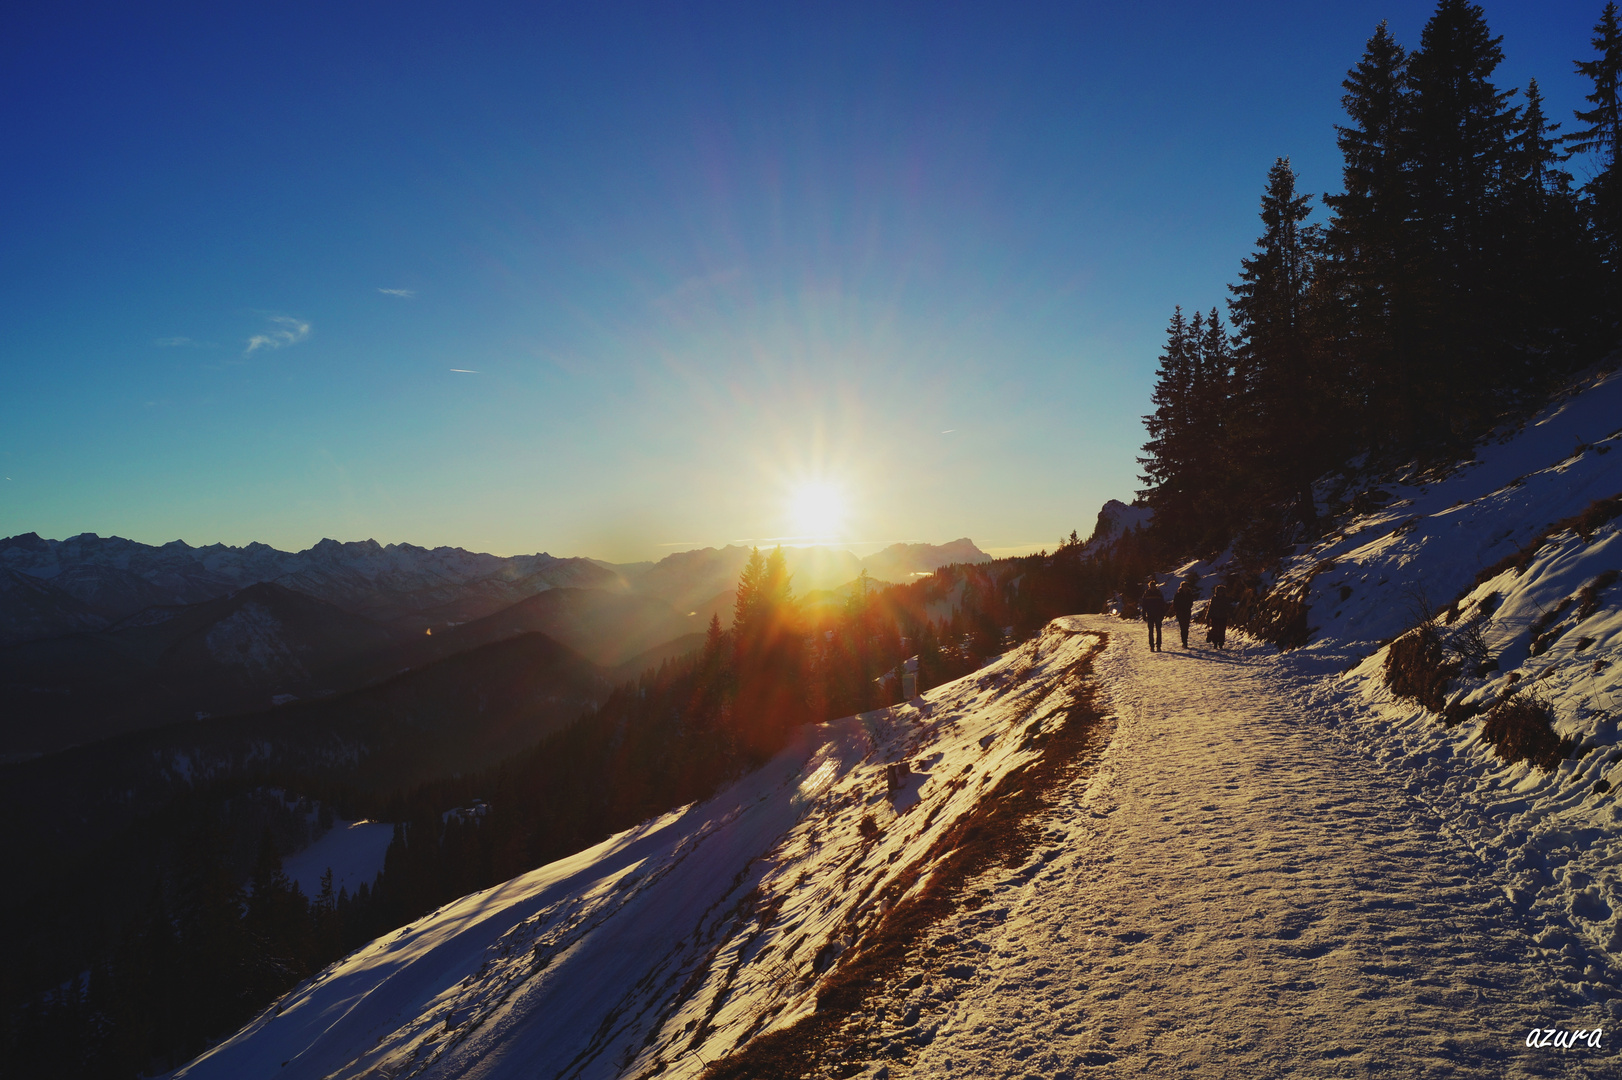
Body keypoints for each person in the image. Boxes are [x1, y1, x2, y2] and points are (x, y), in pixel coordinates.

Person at [1139, 579, 1168, 652]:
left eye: (1153, 586)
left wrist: (1162, 614)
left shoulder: (1158, 593)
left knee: (1158, 630)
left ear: (1155, 586)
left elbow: (1162, 604)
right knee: (1150, 631)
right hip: (1150, 615)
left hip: (1158, 614)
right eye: (1151, 586)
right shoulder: (1146, 594)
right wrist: (1144, 615)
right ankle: (1151, 646)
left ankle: (1158, 646)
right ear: (1149, 586)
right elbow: (1144, 605)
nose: (1152, 587)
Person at [1173, 574, 1199, 648]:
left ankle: (1185, 641)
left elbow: (1191, 603)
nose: (1185, 588)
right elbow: (1175, 604)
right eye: (1184, 587)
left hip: (1187, 612)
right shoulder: (1178, 595)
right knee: (1182, 628)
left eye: (1186, 587)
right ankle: (1184, 641)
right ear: (1181, 587)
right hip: (1180, 613)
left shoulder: (1189, 594)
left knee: (1186, 628)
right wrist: (1178, 611)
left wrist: (1188, 608)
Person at [1208, 583, 1232, 649]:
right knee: (1215, 630)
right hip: (1215, 616)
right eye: (1219, 592)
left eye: (1221, 592)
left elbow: (1228, 607)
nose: (1220, 593)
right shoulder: (1214, 599)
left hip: (1223, 617)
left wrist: (1230, 614)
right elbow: (1211, 608)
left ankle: (1221, 643)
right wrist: (1208, 616)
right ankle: (1215, 643)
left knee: (1222, 631)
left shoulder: (1226, 599)